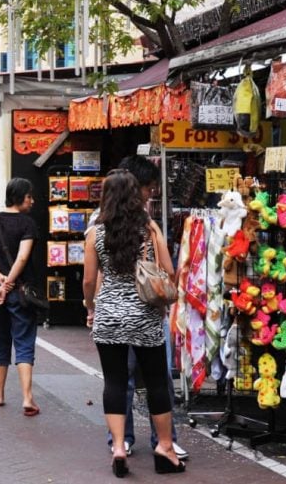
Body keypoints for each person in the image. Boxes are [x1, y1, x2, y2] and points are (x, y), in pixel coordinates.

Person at [83, 170, 186, 477]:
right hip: (146, 316)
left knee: (114, 382)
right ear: (136, 197)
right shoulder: (150, 229)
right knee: (156, 383)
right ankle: (164, 446)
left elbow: (89, 280)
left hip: (110, 315)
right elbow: (169, 270)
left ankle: (118, 446)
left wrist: (91, 306)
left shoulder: (95, 233)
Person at [0, 177, 40, 413]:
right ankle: (27, 397)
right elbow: (23, 258)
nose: (32, 201)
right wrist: (9, 283)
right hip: (20, 291)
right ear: (20, 197)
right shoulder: (28, 225)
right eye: (29, 196)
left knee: (0, 341)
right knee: (24, 342)